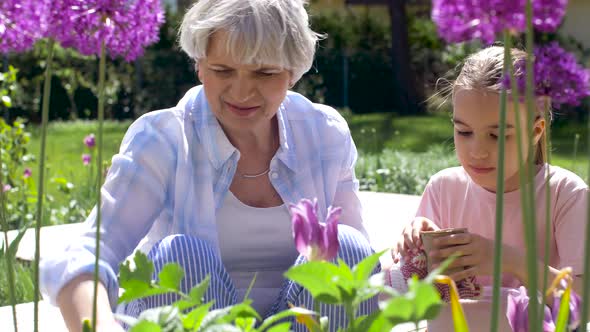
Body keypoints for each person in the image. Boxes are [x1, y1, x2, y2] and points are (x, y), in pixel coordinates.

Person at [40, 1, 376, 331]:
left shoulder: (324, 133)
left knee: (343, 248)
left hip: (300, 322)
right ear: (199, 65)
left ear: (292, 73)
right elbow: (87, 255)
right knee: (180, 257)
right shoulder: (162, 139)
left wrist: (417, 261)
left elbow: (358, 265)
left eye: (264, 72)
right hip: (197, 321)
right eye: (223, 70)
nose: (242, 91)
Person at [390, 46, 588, 327]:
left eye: (497, 135)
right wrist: (414, 245)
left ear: (536, 131)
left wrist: (509, 260)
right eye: (464, 132)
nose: (478, 151)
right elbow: (418, 290)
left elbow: (583, 303)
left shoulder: (564, 193)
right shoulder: (444, 187)